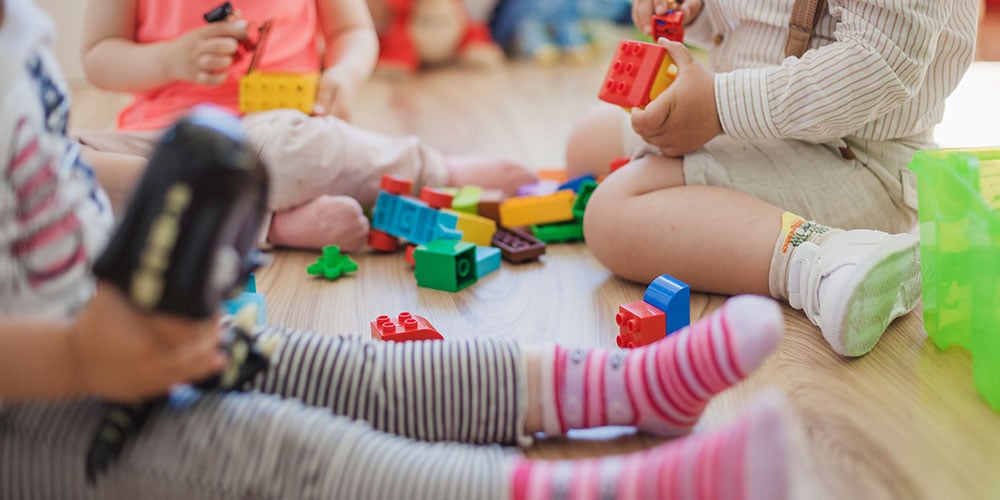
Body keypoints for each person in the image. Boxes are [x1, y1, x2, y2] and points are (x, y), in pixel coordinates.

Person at [1, 1, 797, 497]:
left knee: (327, 365)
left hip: (106, 309)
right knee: (280, 456)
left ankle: (625, 384)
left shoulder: (19, 28)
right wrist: (78, 358)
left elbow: (57, 162)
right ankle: (622, 489)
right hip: (44, 404)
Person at [568, 0, 979, 356]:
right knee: (587, 143)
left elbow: (880, 64)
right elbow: (759, 19)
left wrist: (719, 106)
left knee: (611, 216)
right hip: (756, 122)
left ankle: (827, 258)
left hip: (858, 160)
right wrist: (696, 13)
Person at [74, 0, 538, 253]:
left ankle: (436, 172)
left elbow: (351, 33)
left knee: (300, 148)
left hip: (275, 129)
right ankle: (273, 223)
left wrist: (343, 76)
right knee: (68, 164)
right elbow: (98, 55)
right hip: (162, 141)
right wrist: (170, 58)